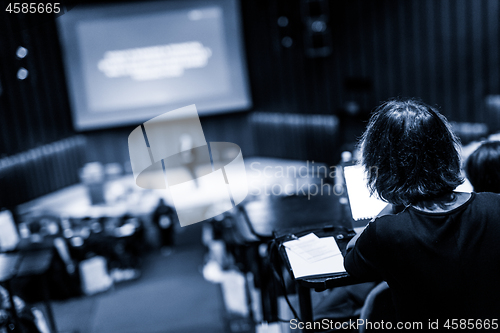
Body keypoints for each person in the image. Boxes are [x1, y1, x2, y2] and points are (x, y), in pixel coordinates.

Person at [344, 97, 500, 325]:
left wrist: (390, 206)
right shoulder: (495, 205)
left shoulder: (385, 231)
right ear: (447, 149)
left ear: (381, 163)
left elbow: (351, 260)